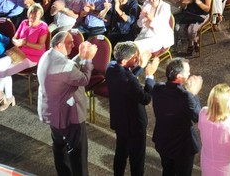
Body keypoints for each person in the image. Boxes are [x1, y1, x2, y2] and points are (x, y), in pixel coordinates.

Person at [37, 30, 99, 176]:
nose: (73, 44)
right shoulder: (63, 66)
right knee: (77, 152)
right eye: (69, 42)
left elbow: (67, 66)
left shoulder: (48, 55)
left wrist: (80, 55)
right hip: (69, 114)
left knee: (59, 147)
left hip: (52, 112)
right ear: (59, 45)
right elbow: (83, 79)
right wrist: (88, 60)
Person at [106, 41, 160, 176]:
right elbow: (146, 98)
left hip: (120, 120)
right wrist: (149, 76)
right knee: (137, 158)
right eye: (135, 57)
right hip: (135, 124)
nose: (138, 58)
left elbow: (127, 76)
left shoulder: (111, 67)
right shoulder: (129, 80)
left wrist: (140, 66)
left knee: (121, 153)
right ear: (124, 61)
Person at [151, 58, 204, 176]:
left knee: (167, 171)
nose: (190, 74)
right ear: (179, 76)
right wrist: (193, 93)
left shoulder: (158, 88)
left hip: (163, 142)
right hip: (182, 147)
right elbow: (198, 117)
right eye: (187, 72)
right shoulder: (186, 96)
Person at [0, 3, 48, 111]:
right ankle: (0, 94)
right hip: (19, 51)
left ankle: (9, 98)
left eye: (36, 15)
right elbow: (14, 38)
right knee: (0, 63)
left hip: (33, 56)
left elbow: (40, 46)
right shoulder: (24, 22)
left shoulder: (43, 27)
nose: (33, 17)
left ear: (40, 15)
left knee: (7, 71)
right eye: (31, 14)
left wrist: (25, 43)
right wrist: (16, 42)